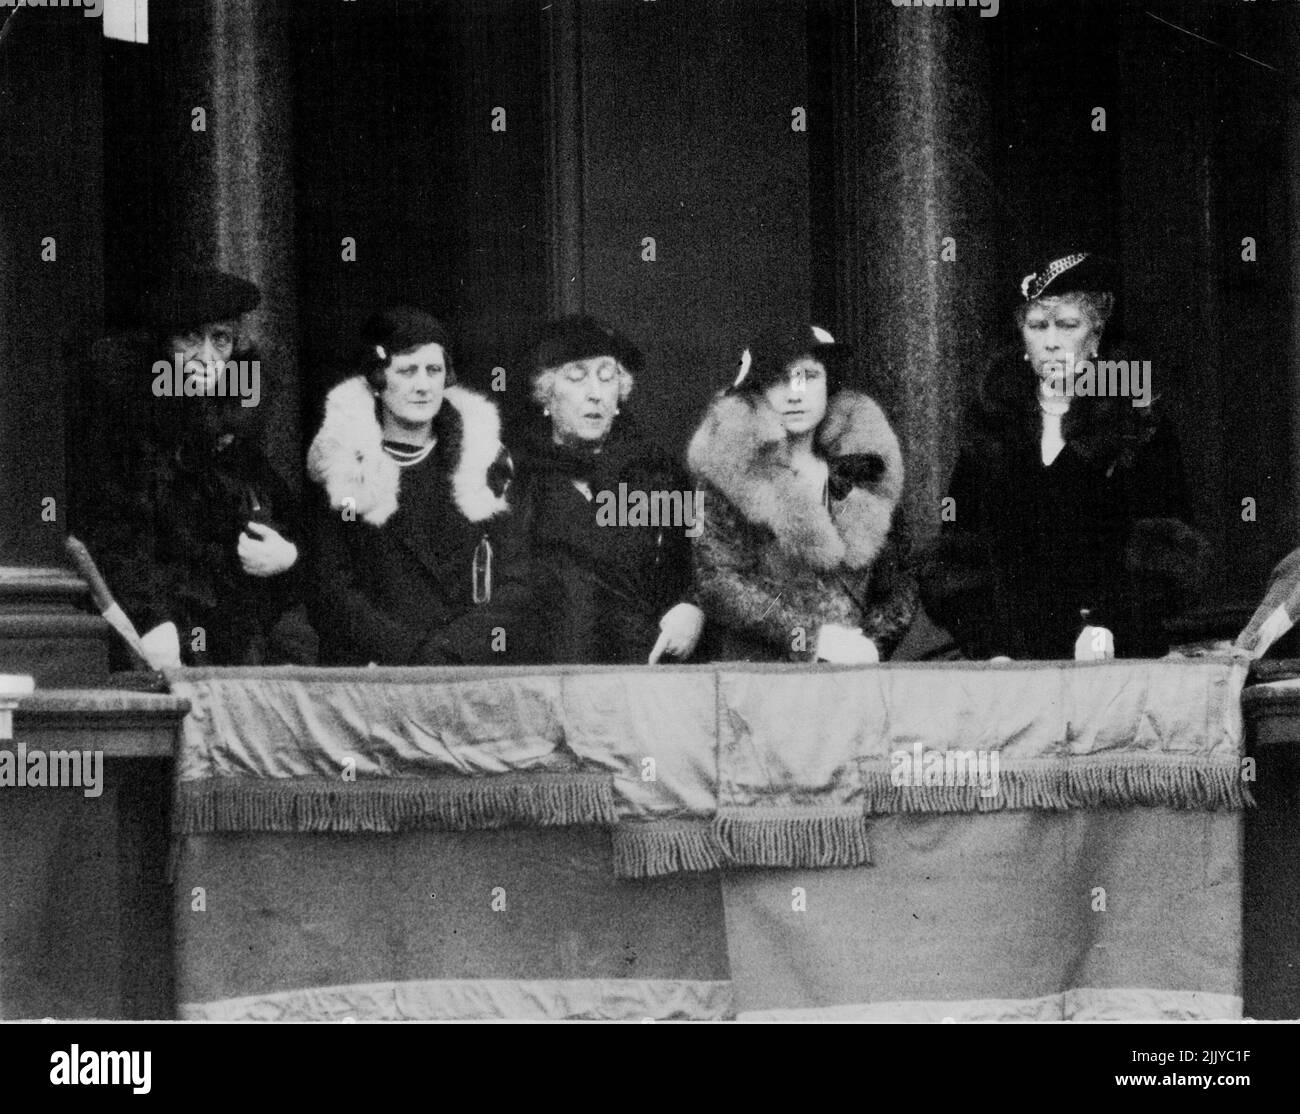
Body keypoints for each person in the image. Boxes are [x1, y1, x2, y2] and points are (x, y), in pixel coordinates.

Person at [917, 250, 1209, 660]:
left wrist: (1111, 624)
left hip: (1114, 657)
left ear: (1096, 333)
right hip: (1010, 663)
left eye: (1067, 325)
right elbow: (957, 553)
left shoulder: (1136, 419)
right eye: (1037, 326)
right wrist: (989, 645)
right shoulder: (995, 424)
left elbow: (1168, 552)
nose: (1051, 341)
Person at [73, 267, 314, 668]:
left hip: (231, 646)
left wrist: (287, 555)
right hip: (157, 643)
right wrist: (152, 618)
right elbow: (115, 533)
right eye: (190, 337)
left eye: (220, 340)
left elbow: (286, 520)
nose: (206, 358)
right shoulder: (127, 429)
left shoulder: (235, 435)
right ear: (163, 346)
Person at [307, 306, 532, 665]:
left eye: (434, 370)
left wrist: (451, 649)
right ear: (378, 379)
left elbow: (517, 581)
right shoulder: (345, 466)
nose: (423, 386)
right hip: (373, 674)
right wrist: (411, 653)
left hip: (462, 670)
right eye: (407, 371)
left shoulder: (483, 465)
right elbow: (331, 591)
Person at [686, 322, 917, 663]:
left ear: (830, 384)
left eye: (808, 376)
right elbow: (718, 583)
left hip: (852, 679)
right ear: (759, 390)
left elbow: (898, 587)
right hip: (760, 676)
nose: (795, 393)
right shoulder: (730, 474)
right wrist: (810, 639)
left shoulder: (866, 474)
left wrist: (870, 646)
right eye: (780, 379)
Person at [512, 315, 703, 664]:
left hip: (639, 672)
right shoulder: (517, 477)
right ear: (546, 394)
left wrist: (692, 608)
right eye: (576, 377)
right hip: (549, 675)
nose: (595, 394)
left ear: (620, 394)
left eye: (607, 376)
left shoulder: (657, 474)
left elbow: (695, 564)